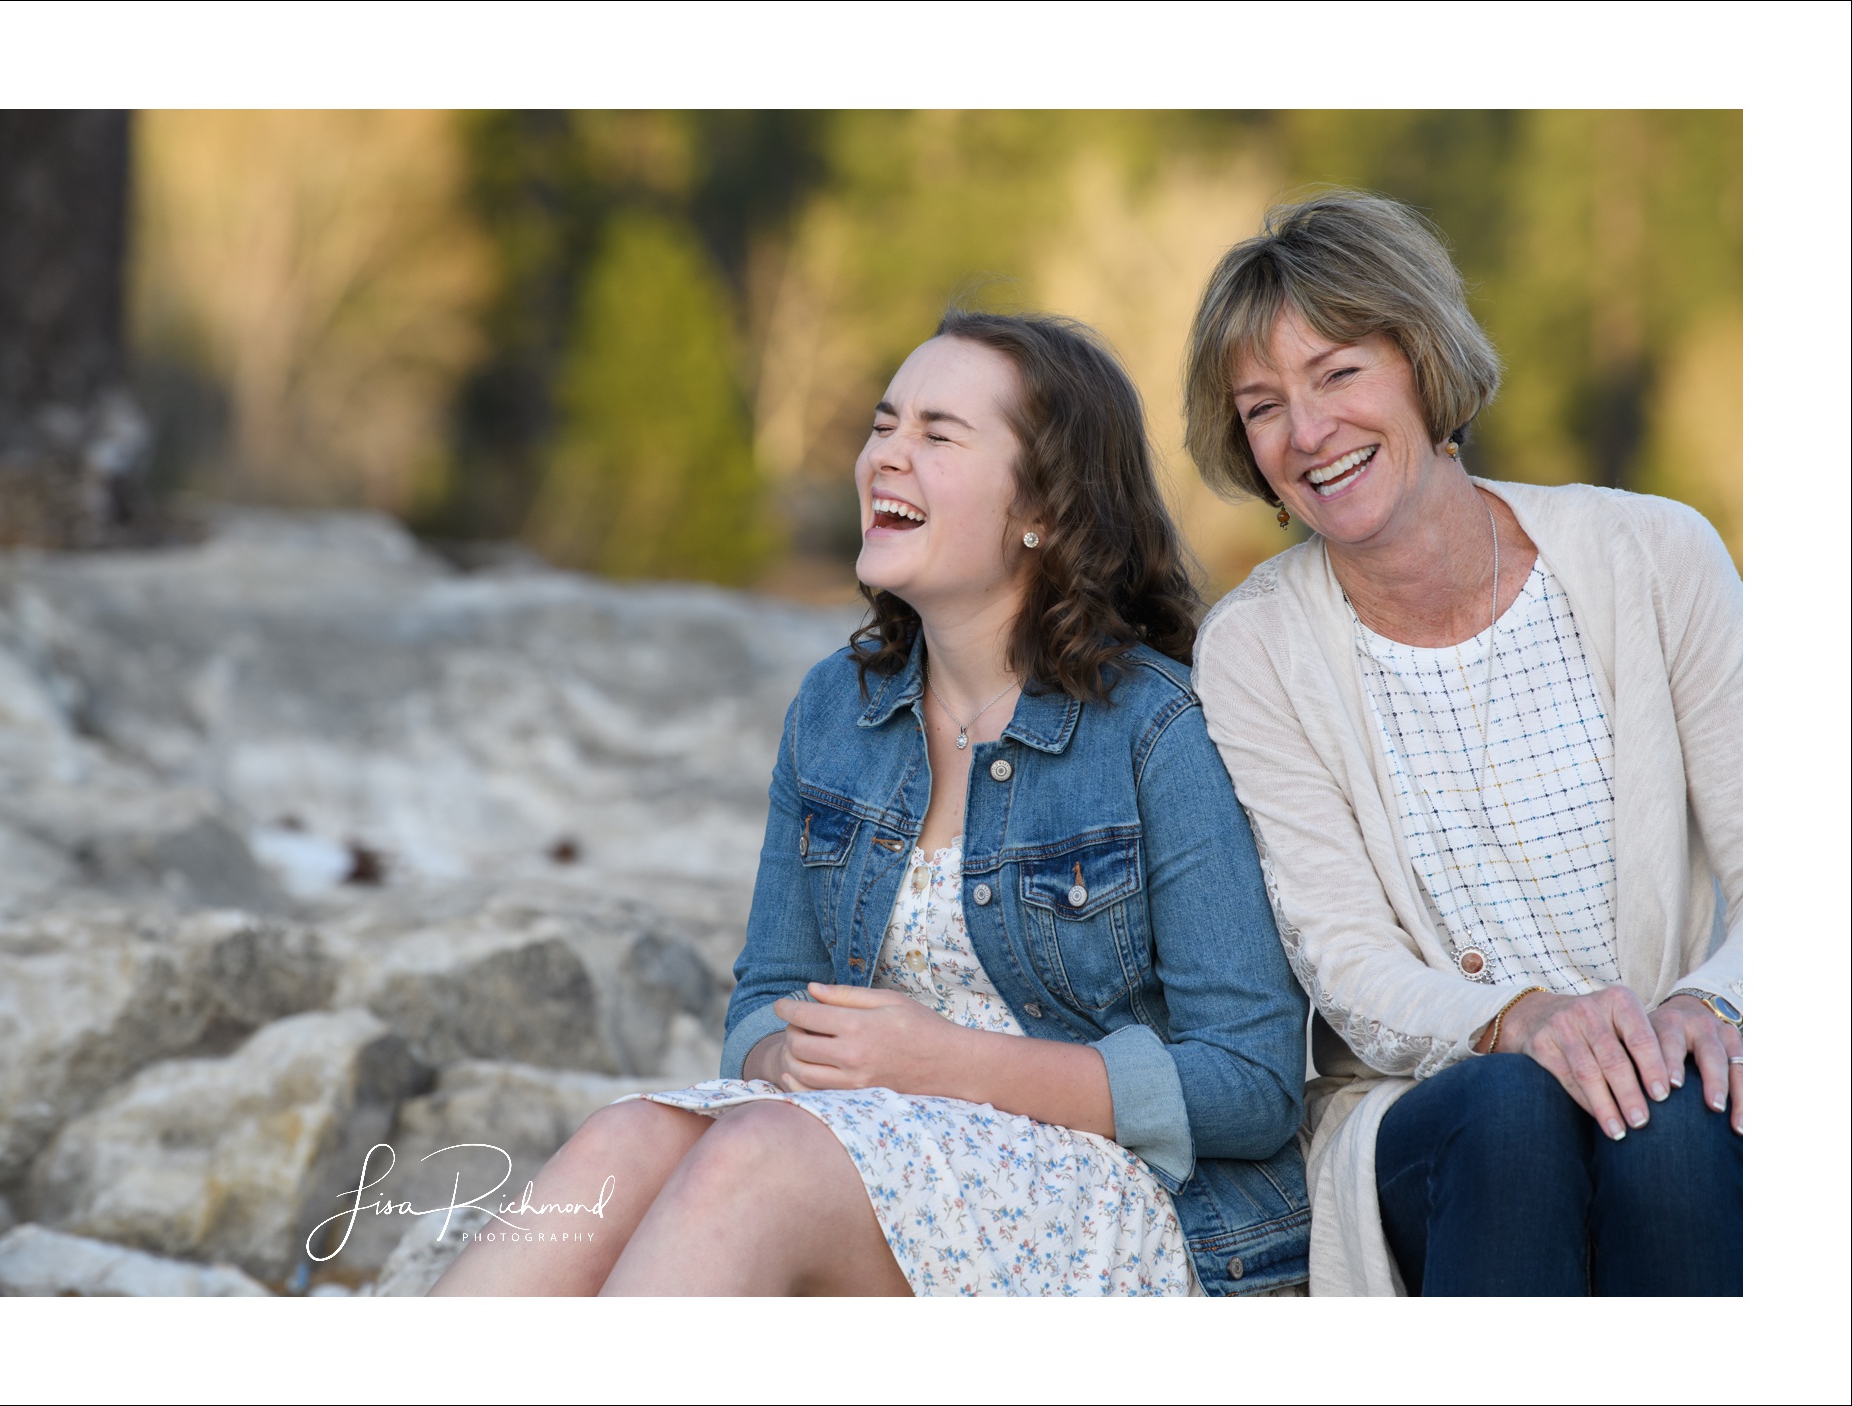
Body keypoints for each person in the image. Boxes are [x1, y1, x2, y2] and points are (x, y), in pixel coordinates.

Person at [432, 309, 1309, 1297]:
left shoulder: (1154, 729)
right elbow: (765, 996)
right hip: (875, 1154)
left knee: (757, 1160)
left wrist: (939, 1061)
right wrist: (793, 1058)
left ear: (1047, 509)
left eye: (937, 434)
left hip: (1121, 1203)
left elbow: (1252, 1083)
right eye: (883, 423)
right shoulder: (835, 710)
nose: (886, 454)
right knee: (623, 1133)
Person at [1182, 192, 1742, 1296]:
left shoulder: (1655, 553)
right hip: (1440, 1110)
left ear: (1421, 362)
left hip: (1673, 1075)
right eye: (1260, 407)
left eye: (1337, 374)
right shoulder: (1250, 647)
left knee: (1670, 1108)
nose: (1304, 434)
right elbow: (1345, 960)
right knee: (1515, 1105)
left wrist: (1706, 1004)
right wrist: (1515, 1019)